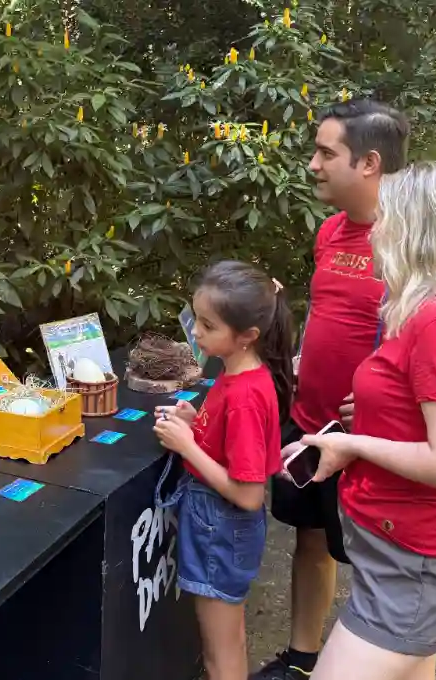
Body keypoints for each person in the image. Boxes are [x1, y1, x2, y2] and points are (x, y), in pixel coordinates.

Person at [302, 162, 436, 680]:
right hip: (400, 554)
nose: (374, 232)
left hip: (421, 564)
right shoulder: (424, 311)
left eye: (384, 219)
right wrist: (375, 414)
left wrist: (356, 445)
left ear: (413, 229)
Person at [253, 99, 410, 680]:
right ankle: (301, 659)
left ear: (368, 163)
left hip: (370, 438)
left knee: (381, 566)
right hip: (310, 420)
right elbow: (331, 315)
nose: (313, 164)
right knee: (310, 541)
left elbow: (432, 340)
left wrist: (386, 396)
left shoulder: (409, 243)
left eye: (326, 153)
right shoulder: (330, 231)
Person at [152, 261, 295, 680]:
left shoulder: (246, 394)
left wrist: (187, 447)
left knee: (219, 654)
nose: (196, 332)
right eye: (197, 318)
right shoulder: (238, 374)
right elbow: (230, 444)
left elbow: (248, 494)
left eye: (208, 325)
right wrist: (196, 420)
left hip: (221, 525)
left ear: (247, 336)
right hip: (219, 525)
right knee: (228, 636)